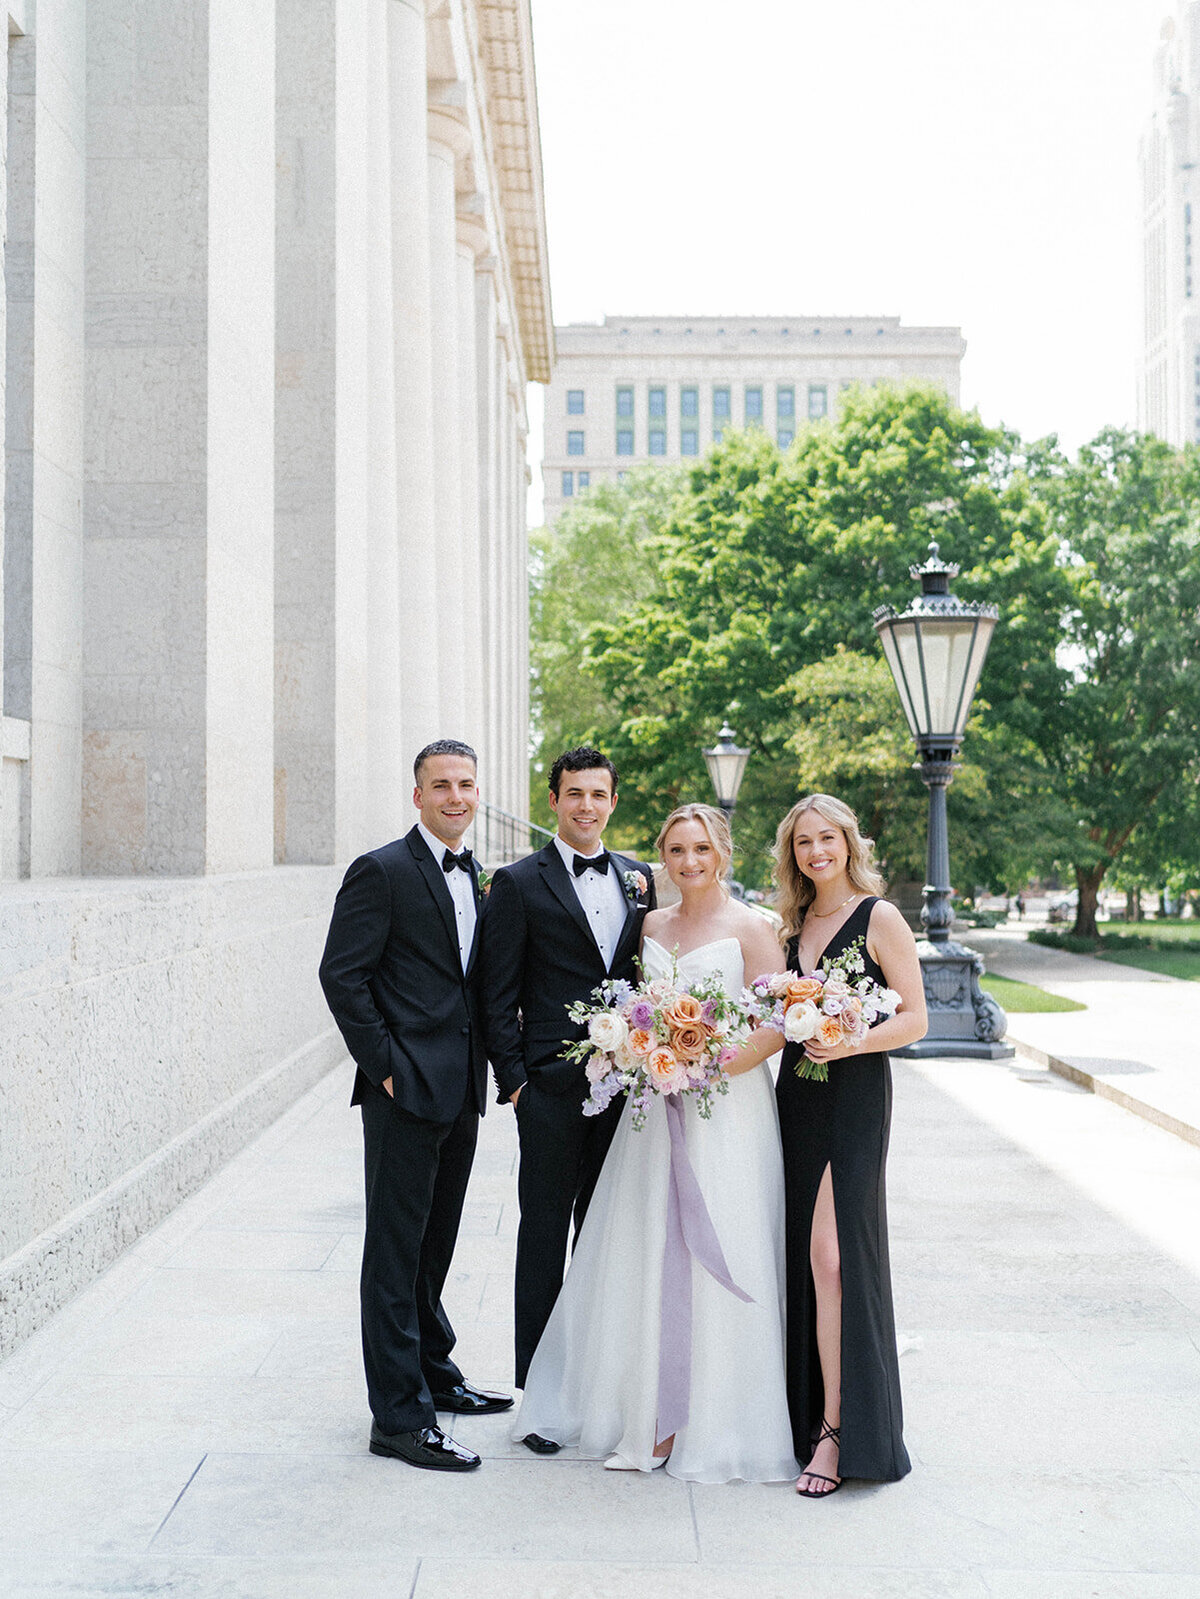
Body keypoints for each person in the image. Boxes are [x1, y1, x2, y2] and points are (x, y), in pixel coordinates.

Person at [510, 803, 798, 1482]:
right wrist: (647, 1052)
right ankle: (646, 1412)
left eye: (701, 848)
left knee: (719, 1244)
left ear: (722, 850)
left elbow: (776, 1024)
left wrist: (705, 1065)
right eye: (676, 850)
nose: (689, 862)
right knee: (646, 1248)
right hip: (654, 1106)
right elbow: (637, 1006)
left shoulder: (753, 929)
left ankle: (712, 1416)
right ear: (662, 858)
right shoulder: (652, 925)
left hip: (725, 1110)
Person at [319, 740, 511, 1473]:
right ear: (417, 795)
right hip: (405, 1087)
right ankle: (398, 1416)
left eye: (465, 784)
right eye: (441, 785)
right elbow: (342, 974)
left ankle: (436, 1370)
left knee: (437, 1240)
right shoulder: (382, 869)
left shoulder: (479, 876)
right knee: (396, 1252)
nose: (455, 796)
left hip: (460, 1083)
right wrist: (386, 1067)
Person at [481, 747, 656, 1445]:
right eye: (574, 793)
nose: (586, 805)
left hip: (630, 1089)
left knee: (610, 1237)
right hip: (550, 1089)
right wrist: (517, 1083)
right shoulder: (517, 882)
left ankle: (600, 1385)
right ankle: (542, 1398)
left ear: (615, 800)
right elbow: (495, 993)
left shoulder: (640, 879)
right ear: (553, 799)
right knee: (545, 1236)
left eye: (598, 793)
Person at [772, 794, 927, 1497]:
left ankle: (839, 1430)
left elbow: (917, 1017)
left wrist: (851, 1037)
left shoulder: (879, 916)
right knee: (803, 1255)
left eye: (826, 837)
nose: (816, 851)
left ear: (847, 841)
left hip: (856, 1095)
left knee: (833, 1256)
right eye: (804, 841)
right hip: (796, 1097)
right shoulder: (792, 926)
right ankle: (811, 1413)